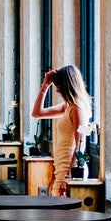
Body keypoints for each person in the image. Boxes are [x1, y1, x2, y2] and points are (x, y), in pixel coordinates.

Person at [31, 64, 92, 195]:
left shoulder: (77, 109)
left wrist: (68, 177)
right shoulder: (68, 106)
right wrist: (44, 87)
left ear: (66, 86)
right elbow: (37, 113)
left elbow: (80, 146)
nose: (59, 92)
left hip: (70, 170)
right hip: (62, 168)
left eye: (59, 89)